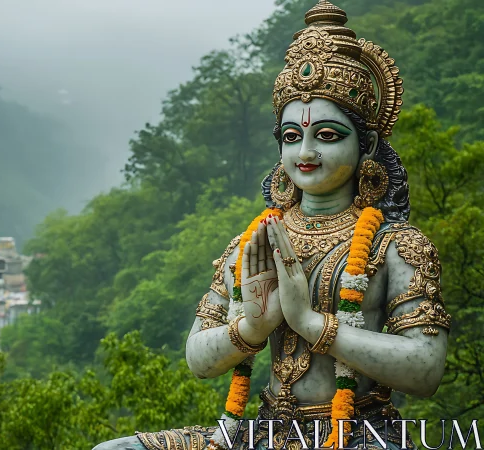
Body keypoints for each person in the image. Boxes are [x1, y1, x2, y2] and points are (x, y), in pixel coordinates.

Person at [93, 1, 450, 449]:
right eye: (291, 136)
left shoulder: (396, 245)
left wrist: (310, 323)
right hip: (260, 432)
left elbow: (426, 368)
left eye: (326, 136)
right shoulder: (255, 242)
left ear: (368, 144)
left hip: (358, 433)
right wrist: (251, 330)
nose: (304, 153)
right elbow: (198, 357)